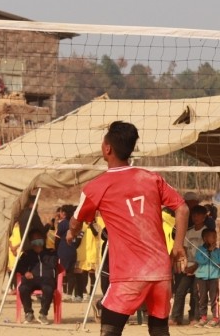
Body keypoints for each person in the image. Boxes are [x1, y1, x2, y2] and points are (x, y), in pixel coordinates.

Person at [67, 121, 188, 336]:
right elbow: (182, 208)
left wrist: (71, 233)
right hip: (160, 272)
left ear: (107, 149)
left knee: (110, 330)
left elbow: (76, 221)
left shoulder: (96, 186)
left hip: (129, 275)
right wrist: (178, 246)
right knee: (159, 330)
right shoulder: (151, 178)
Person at [171, 204, 209, 325]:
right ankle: (176, 317)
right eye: (193, 215)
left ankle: (194, 316)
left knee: (195, 293)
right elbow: (185, 250)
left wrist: (196, 266)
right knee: (180, 291)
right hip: (188, 267)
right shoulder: (188, 232)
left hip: (200, 267)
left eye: (198, 215)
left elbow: (207, 253)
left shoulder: (207, 233)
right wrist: (186, 265)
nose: (195, 217)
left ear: (204, 217)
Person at [16, 229, 59, 325]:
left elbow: (53, 264)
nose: (38, 243)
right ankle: (29, 312)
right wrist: (25, 272)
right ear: (31, 243)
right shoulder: (27, 254)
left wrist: (42, 254)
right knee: (23, 288)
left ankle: (43, 314)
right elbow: (18, 267)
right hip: (32, 279)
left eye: (40, 240)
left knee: (48, 289)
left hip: (47, 279)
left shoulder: (51, 252)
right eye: (35, 241)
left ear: (43, 240)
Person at [193, 228, 220, 327]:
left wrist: (212, 252)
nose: (215, 239)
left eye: (215, 237)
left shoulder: (217, 251)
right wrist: (208, 252)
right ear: (205, 238)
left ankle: (216, 317)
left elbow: (217, 261)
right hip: (201, 277)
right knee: (202, 298)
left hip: (214, 278)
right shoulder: (200, 249)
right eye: (212, 237)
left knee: (215, 298)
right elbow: (201, 261)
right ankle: (203, 317)